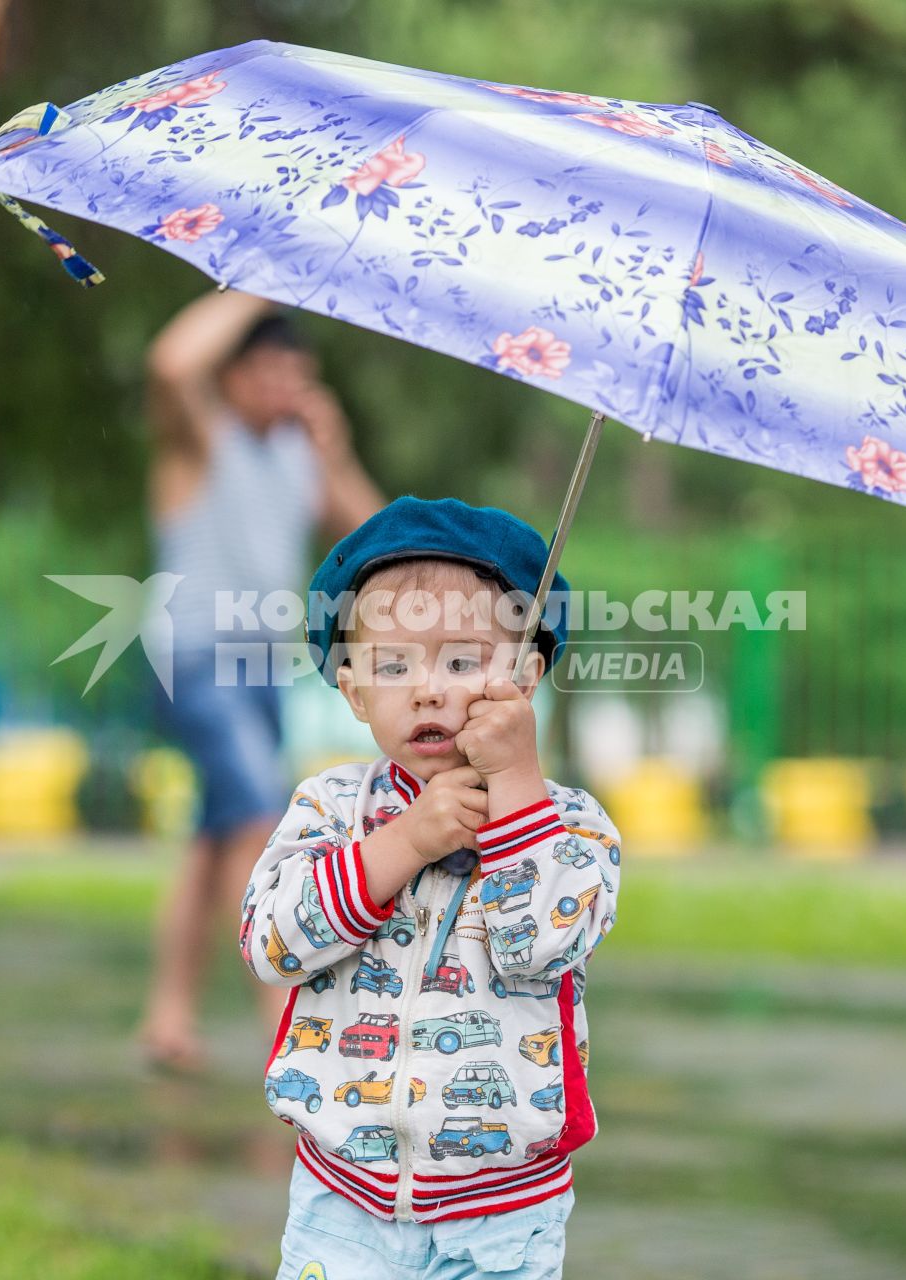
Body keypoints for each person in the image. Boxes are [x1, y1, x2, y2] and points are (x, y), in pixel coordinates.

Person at [238, 496, 622, 1279]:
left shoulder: (574, 827)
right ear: (352, 692)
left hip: (504, 1213)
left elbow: (537, 946)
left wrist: (515, 784)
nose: (428, 689)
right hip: (341, 1199)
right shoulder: (332, 808)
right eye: (394, 665)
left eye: (461, 660)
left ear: (528, 676)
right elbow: (271, 944)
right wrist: (406, 842)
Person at [138, 289, 384, 1073]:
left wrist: (334, 451)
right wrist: (256, 284)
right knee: (255, 823)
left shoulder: (296, 454)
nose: (283, 386)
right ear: (234, 375)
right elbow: (170, 363)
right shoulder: (199, 440)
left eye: (297, 373)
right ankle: (287, 1024)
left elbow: (375, 534)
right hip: (193, 658)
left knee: (216, 842)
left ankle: (168, 1018)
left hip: (257, 666)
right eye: (269, 369)